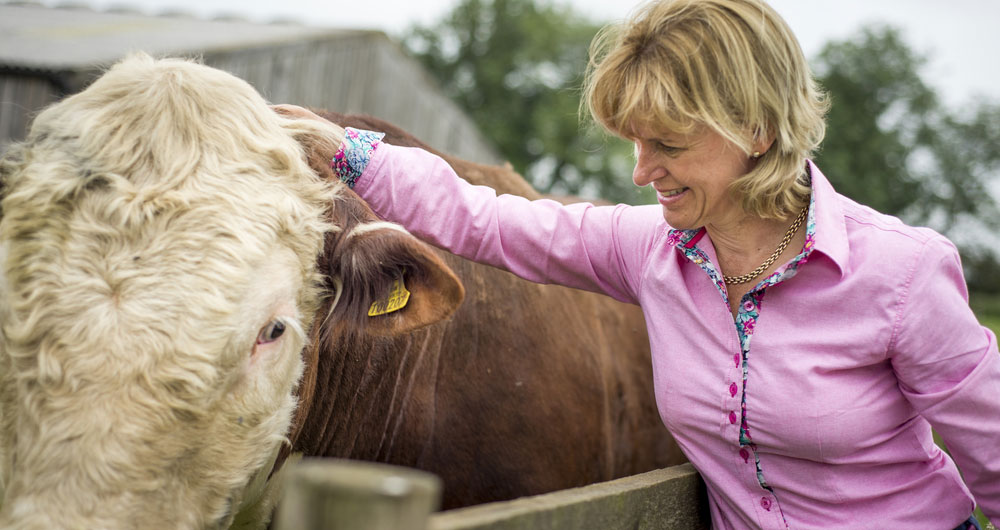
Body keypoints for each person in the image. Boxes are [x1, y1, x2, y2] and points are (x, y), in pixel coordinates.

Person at [277, 0, 999, 527]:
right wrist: (344, 149)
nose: (640, 172)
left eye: (670, 146)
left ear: (758, 128)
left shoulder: (903, 275)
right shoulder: (648, 251)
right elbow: (487, 220)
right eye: (633, 142)